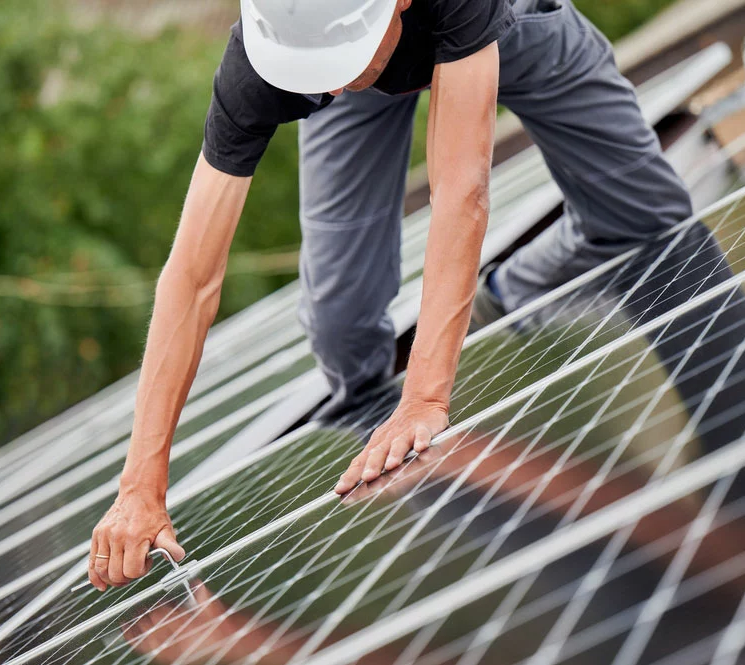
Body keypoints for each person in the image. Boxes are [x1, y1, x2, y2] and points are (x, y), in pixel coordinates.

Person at [86, 0, 698, 591]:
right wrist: (140, 485)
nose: (333, 81)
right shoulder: (269, 58)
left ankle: (507, 293)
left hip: (499, 26)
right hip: (366, 68)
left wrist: (426, 399)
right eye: (313, 68)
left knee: (651, 220)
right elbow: (191, 277)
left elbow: (461, 193)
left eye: (339, 61)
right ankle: (442, 491)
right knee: (341, 333)